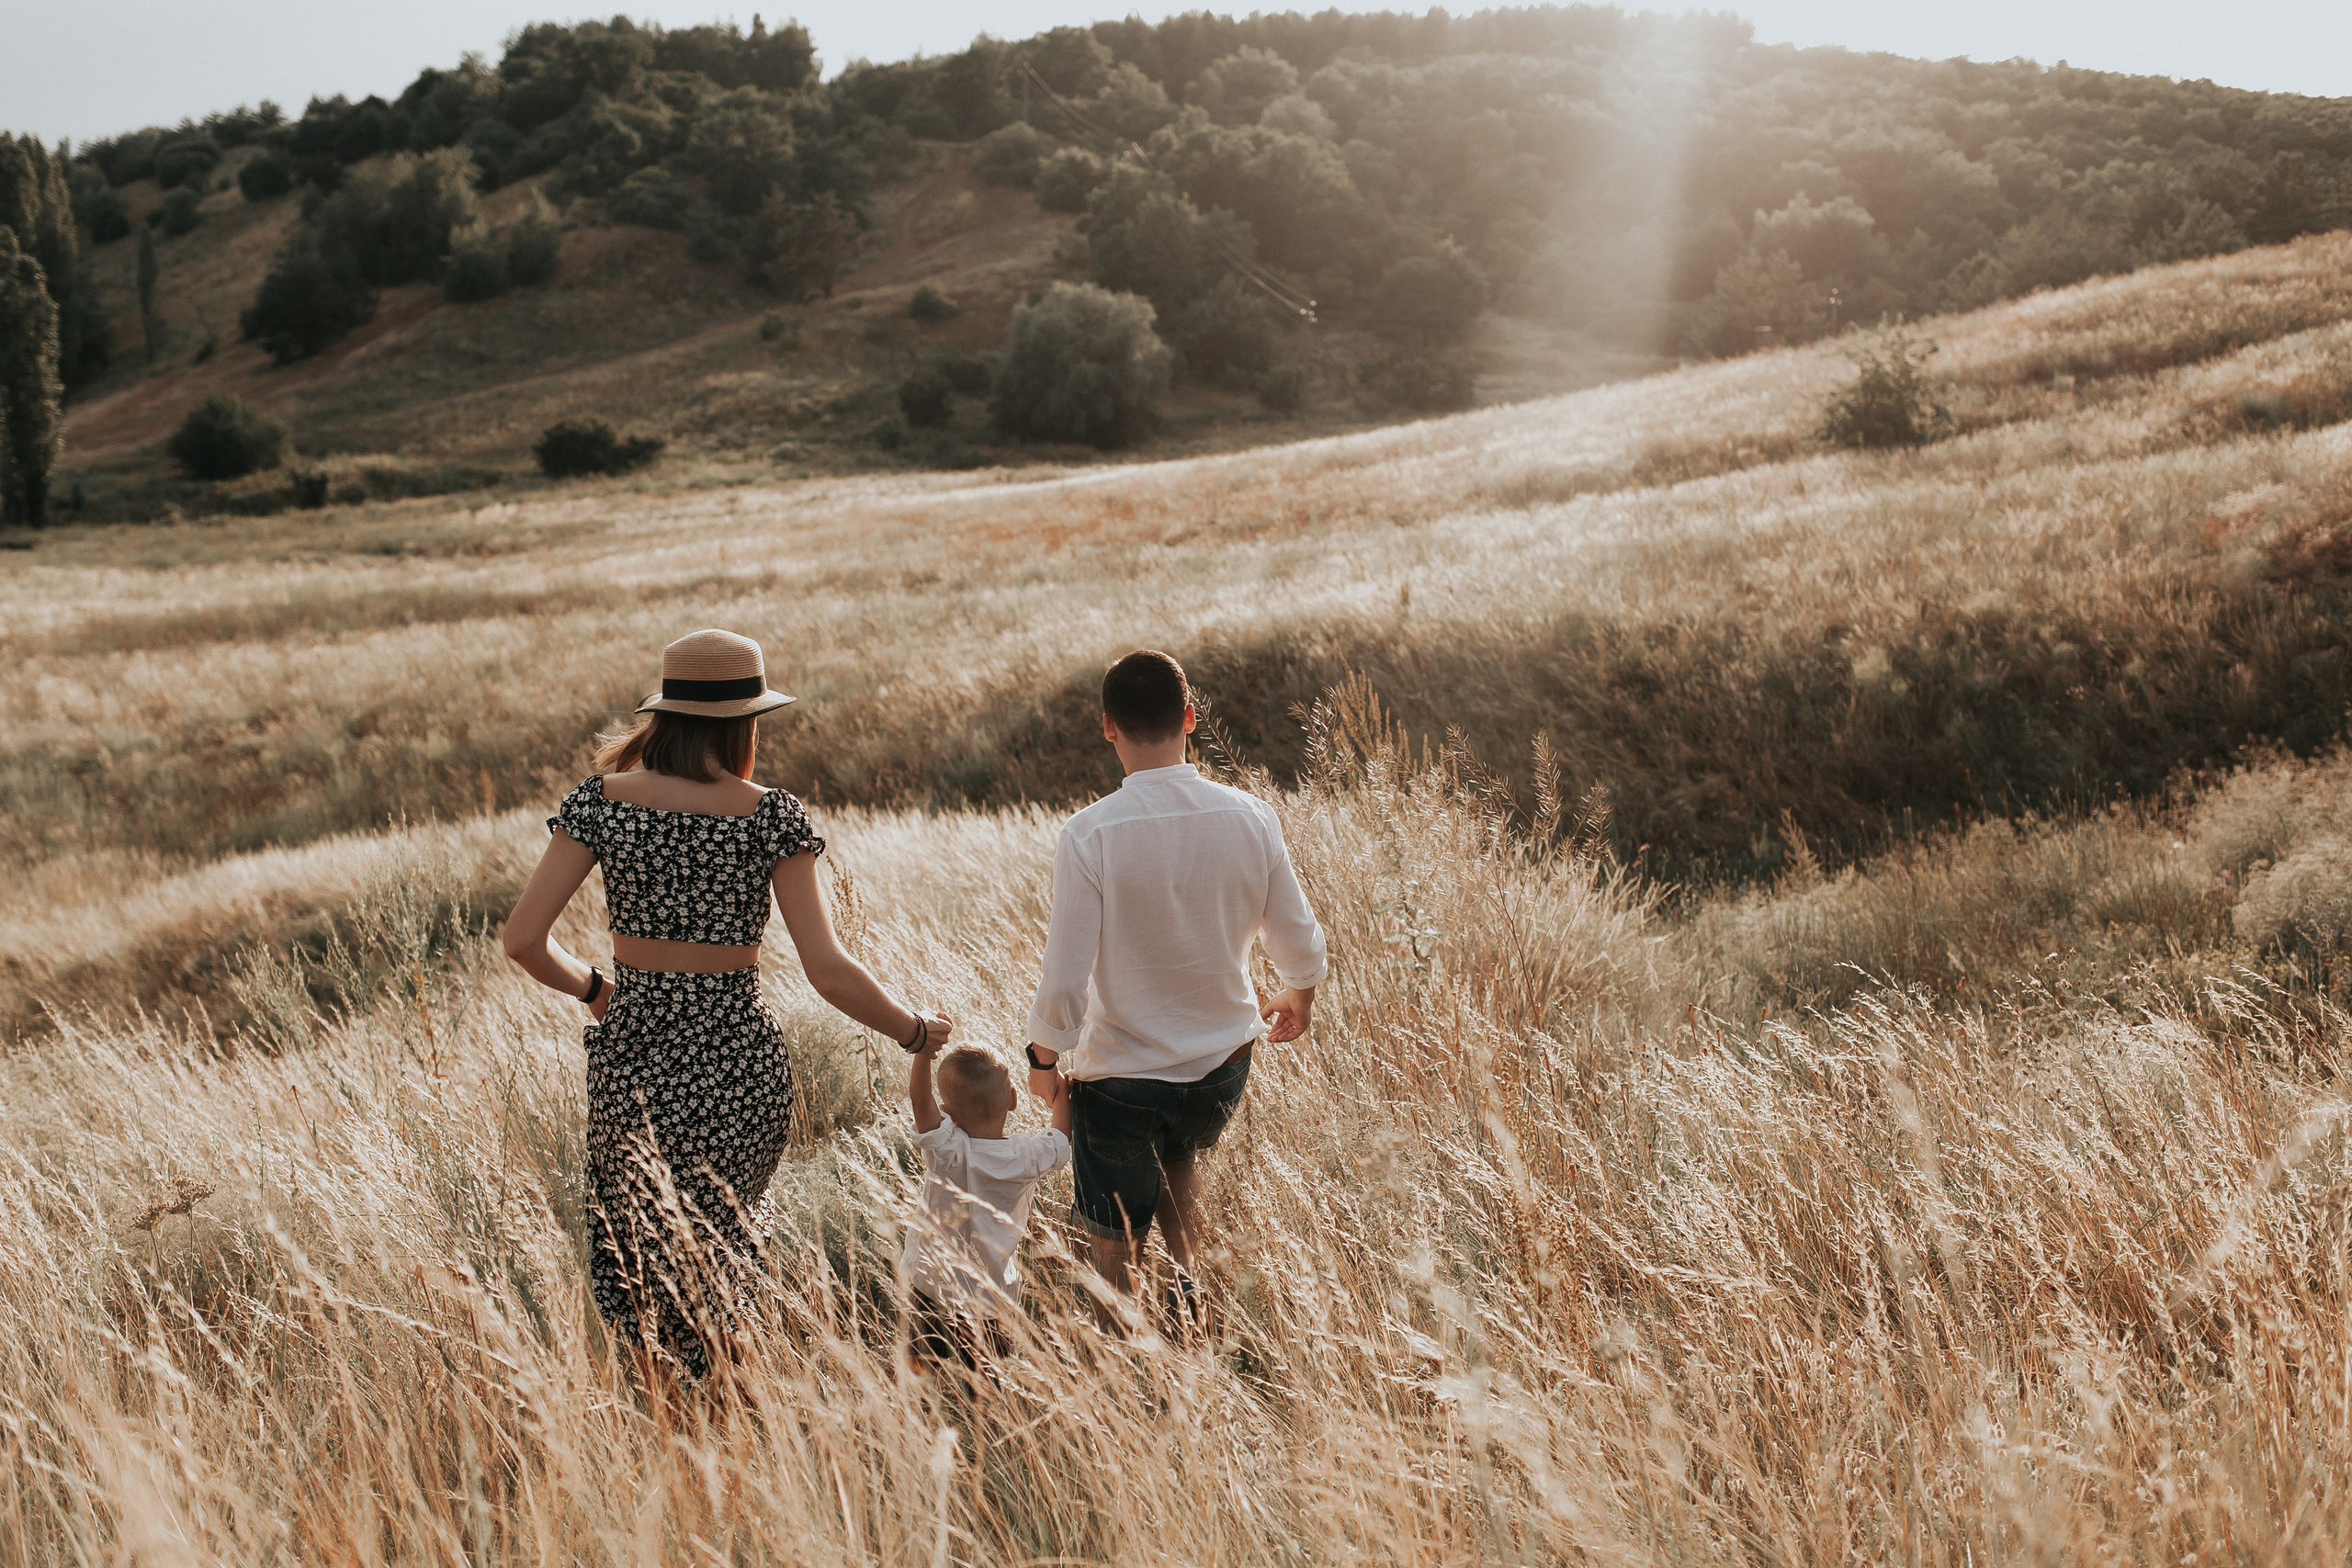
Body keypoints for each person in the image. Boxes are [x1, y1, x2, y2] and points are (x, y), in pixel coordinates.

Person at [503, 627, 952, 1381]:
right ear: (746, 721)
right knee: (724, 1265)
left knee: (640, 1267)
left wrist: (596, 990)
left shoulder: (603, 802)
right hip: (737, 1065)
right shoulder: (769, 815)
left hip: (634, 1063)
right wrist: (914, 1030)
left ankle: (679, 1441)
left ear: (670, 713)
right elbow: (828, 969)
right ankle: (739, 1433)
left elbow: (522, 939)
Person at [1023, 649, 1327, 1327]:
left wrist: (1043, 1061)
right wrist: (1300, 991)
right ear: (1190, 716)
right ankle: (1190, 1292)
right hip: (1221, 1067)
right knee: (1181, 1154)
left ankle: (1121, 1343)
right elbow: (1298, 937)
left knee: (1116, 1237)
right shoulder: (1252, 815)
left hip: (1122, 1079)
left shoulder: (1089, 834)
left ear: (1108, 727)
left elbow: (1066, 977)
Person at [900, 1041, 1071, 1369]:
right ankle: (988, 1417)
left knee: (919, 1363)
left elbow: (920, 1103)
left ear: (947, 1114)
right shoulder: (1026, 1157)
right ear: (1013, 1100)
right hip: (991, 1294)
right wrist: (1061, 1090)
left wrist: (922, 1051)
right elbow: (1060, 1137)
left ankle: (919, 1410)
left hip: (931, 1283)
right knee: (991, 1379)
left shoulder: (949, 1153)